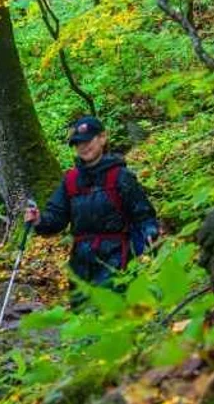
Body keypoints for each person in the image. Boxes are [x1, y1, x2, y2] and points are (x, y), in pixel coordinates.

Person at [25, 116, 159, 290]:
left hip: (117, 258)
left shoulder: (121, 176)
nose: (83, 146)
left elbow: (143, 213)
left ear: (102, 138)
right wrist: (39, 220)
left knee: (112, 311)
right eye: (78, 143)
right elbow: (56, 217)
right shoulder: (71, 180)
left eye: (88, 140)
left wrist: (150, 232)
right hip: (80, 262)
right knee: (81, 313)